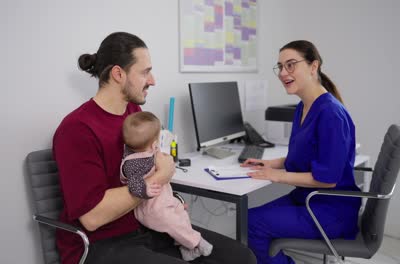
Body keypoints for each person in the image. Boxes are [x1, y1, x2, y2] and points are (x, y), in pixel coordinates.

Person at [53, 31, 256, 264]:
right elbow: (92, 217)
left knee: (242, 258)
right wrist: (160, 177)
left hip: (145, 226)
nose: (153, 80)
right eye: (145, 72)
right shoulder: (77, 129)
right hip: (100, 244)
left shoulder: (132, 114)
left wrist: (171, 199)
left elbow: (144, 169)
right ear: (118, 74)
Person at [242, 40, 361, 264]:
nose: (283, 73)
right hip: (307, 199)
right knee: (245, 219)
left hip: (331, 209)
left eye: (291, 65)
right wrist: (274, 164)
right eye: (280, 66)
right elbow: (309, 155)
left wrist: (279, 176)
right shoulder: (303, 106)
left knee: (252, 224)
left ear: (313, 67)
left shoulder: (330, 114)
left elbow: (327, 179)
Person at [120, 111, 213, 261]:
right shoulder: (132, 162)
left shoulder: (148, 150)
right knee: (172, 222)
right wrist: (145, 189)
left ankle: (186, 248)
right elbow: (133, 182)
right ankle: (196, 242)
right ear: (154, 143)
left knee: (180, 212)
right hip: (151, 209)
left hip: (163, 199)